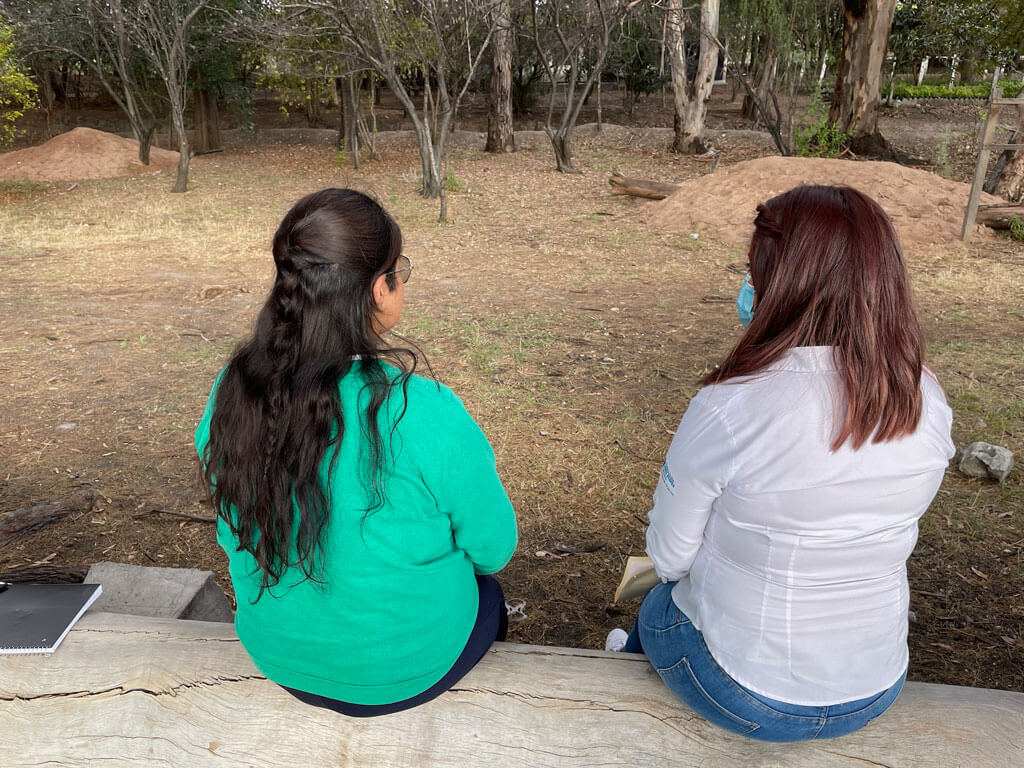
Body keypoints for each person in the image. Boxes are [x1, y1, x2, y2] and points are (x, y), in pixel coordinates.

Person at [608, 185, 955, 742]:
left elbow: (670, 556)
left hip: (747, 687)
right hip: (877, 683)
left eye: (754, 271)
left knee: (655, 604)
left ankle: (630, 658)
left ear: (779, 282)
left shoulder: (730, 407)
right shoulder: (925, 398)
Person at [196, 188, 517, 716]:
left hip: (277, 654)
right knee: (490, 596)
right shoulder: (426, 411)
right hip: (406, 672)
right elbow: (494, 549)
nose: (401, 282)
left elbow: (231, 521)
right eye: (399, 270)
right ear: (377, 289)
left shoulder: (233, 390)